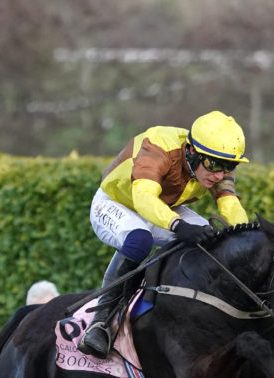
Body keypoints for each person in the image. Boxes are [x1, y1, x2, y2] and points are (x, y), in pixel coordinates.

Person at [78, 111, 251, 358]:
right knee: (140, 240)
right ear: (191, 151)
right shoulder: (159, 146)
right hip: (117, 202)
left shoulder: (216, 165)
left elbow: (230, 206)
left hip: (163, 207)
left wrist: (244, 236)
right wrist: (179, 226)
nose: (219, 175)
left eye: (229, 167)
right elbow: (143, 198)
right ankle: (100, 323)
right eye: (213, 165)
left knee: (212, 242)